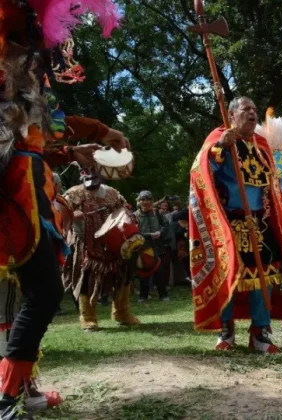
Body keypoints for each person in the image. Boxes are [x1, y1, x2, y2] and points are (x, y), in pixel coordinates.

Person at [0, 1, 122, 418]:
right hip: (16, 189)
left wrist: (80, 144)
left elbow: (36, 134)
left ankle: (20, 391)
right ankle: (5, 399)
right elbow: (26, 130)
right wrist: (94, 133)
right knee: (36, 294)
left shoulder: (21, 67)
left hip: (25, 182)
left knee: (23, 297)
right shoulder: (17, 60)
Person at [189, 96, 282, 353]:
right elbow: (200, 172)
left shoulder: (261, 144)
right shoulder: (219, 139)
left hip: (261, 222)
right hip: (230, 222)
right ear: (232, 115)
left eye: (255, 110)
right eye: (246, 110)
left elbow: (272, 188)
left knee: (264, 277)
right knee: (231, 275)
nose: (252, 113)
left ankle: (261, 332)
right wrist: (220, 149)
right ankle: (226, 330)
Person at [63, 170, 140, 331]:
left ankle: (121, 312)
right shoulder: (73, 193)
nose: (91, 183)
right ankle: (88, 317)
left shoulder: (112, 193)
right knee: (86, 277)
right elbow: (60, 212)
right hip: (86, 242)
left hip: (114, 242)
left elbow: (124, 210)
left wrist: (128, 218)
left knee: (122, 274)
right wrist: (72, 214)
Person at [134, 190, 170, 302]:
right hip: (143, 248)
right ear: (139, 202)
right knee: (144, 272)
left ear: (152, 201)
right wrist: (149, 235)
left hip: (158, 246)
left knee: (160, 271)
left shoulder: (157, 213)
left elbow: (166, 225)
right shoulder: (135, 215)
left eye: (148, 199)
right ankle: (143, 296)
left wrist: (161, 232)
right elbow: (134, 233)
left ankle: (163, 295)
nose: (145, 202)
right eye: (142, 200)